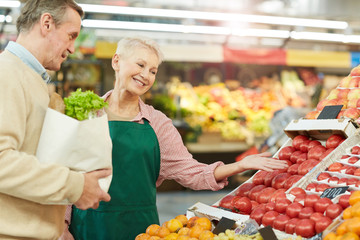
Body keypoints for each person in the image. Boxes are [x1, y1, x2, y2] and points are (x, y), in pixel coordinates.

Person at [68, 36, 288, 240]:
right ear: (116, 61)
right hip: (88, 225)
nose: (146, 75)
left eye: (153, 71)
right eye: (140, 65)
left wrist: (240, 165)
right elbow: (63, 174)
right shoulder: (86, 112)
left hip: (142, 229)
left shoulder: (157, 123)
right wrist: (61, 226)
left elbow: (191, 172)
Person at [0, 0, 111, 239]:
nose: (73, 48)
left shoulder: (34, 80)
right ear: (47, 24)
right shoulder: (7, 74)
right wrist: (75, 185)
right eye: (71, 36)